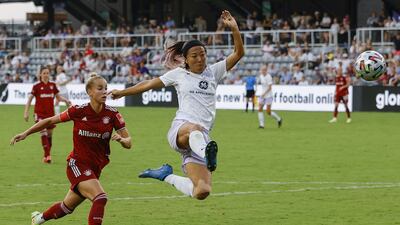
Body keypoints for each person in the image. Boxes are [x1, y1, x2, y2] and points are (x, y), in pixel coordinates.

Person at [109, 10, 244, 200]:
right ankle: (207, 153)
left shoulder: (214, 72)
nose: (200, 59)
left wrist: (234, 28)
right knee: (194, 129)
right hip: (182, 128)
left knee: (202, 191)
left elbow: (239, 53)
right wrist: (122, 92)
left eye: (203, 55)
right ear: (186, 60)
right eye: (195, 56)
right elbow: (148, 84)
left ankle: (165, 175)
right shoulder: (179, 74)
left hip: (202, 138)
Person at [11, 73, 132, 225]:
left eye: (106, 88)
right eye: (100, 88)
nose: (104, 92)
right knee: (100, 198)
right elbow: (49, 120)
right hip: (77, 164)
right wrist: (26, 133)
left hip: (95, 168)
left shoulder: (113, 114)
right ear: (89, 92)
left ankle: (39, 218)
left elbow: (129, 142)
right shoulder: (78, 111)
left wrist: (122, 140)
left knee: (66, 208)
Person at [24, 66, 71, 163]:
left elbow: (58, 97)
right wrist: (26, 112)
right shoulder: (36, 86)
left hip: (50, 115)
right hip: (39, 114)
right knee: (43, 132)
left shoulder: (52, 85)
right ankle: (48, 155)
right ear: (40, 74)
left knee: (49, 135)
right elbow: (29, 99)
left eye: (47, 73)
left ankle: (46, 156)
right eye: (44, 73)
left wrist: (66, 100)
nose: (46, 75)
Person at [257, 64, 282, 128]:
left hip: (268, 96)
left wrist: (264, 94)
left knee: (268, 111)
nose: (263, 71)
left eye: (264, 70)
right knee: (259, 109)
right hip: (263, 95)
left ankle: (279, 119)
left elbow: (270, 87)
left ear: (266, 70)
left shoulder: (269, 77)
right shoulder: (261, 76)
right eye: (262, 70)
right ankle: (261, 125)